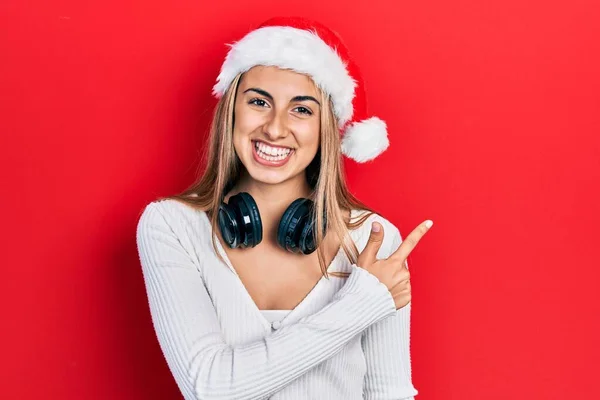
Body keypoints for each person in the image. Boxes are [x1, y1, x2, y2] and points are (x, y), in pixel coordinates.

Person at [136, 16, 433, 400]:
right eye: (259, 102)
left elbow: (388, 392)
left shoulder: (372, 239)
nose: (275, 129)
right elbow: (209, 389)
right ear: (232, 112)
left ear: (328, 127)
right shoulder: (173, 226)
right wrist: (362, 303)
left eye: (302, 110)